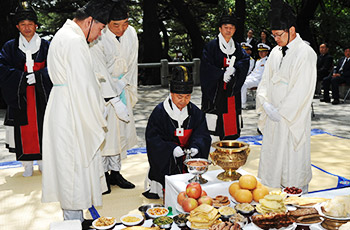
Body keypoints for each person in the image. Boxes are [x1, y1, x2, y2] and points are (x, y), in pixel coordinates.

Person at [41, 0, 113, 222]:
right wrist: (100, 111)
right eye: (100, 29)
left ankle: (74, 219)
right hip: (72, 108)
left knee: (69, 166)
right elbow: (84, 87)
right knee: (74, 166)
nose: (99, 35)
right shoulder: (74, 41)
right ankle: (74, 222)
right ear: (89, 21)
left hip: (63, 104)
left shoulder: (63, 34)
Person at [256, 0, 317, 193]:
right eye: (273, 35)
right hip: (274, 118)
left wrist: (281, 112)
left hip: (292, 120)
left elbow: (302, 90)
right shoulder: (274, 52)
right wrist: (265, 104)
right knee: (273, 166)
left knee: (292, 164)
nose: (276, 39)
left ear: (291, 30)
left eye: (279, 35)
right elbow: (264, 82)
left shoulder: (305, 53)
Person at [90, 0, 138, 192]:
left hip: (123, 86)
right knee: (106, 134)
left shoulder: (132, 33)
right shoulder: (98, 36)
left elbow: (133, 62)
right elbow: (98, 68)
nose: (121, 29)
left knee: (120, 134)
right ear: (107, 23)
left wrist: (125, 83)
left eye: (125, 23)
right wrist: (111, 91)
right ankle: (102, 176)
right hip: (104, 91)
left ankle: (116, 173)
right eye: (116, 25)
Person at [0, 0, 51, 177]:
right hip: (20, 95)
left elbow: (55, 67)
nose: (27, 28)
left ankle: (44, 161)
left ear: (36, 25)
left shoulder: (46, 46)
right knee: (23, 128)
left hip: (41, 96)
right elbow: (3, 68)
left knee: (44, 127)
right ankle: (26, 164)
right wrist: (22, 77)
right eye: (23, 24)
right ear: (17, 26)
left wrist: (38, 76)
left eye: (30, 24)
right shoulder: (10, 47)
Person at [143, 66, 211, 199]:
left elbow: (202, 134)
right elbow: (153, 140)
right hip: (167, 161)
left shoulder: (195, 112)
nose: (184, 101)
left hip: (188, 159)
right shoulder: (160, 112)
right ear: (171, 94)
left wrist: (196, 147)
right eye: (180, 97)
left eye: (187, 97)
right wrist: (171, 149)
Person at [200, 9, 250, 144]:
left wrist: (235, 69)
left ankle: (230, 155)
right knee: (213, 129)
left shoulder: (238, 48)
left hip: (232, 95)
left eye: (231, 28)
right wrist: (221, 74)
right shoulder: (211, 47)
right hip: (215, 94)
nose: (228, 30)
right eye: (226, 27)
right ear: (220, 29)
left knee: (231, 126)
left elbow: (245, 62)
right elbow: (206, 68)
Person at [241, 43, 270, 109]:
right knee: (240, 81)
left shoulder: (268, 61)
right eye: (260, 51)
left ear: (267, 52)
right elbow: (254, 72)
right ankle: (240, 102)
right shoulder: (258, 61)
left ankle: (243, 104)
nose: (261, 53)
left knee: (244, 84)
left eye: (263, 51)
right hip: (253, 78)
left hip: (260, 80)